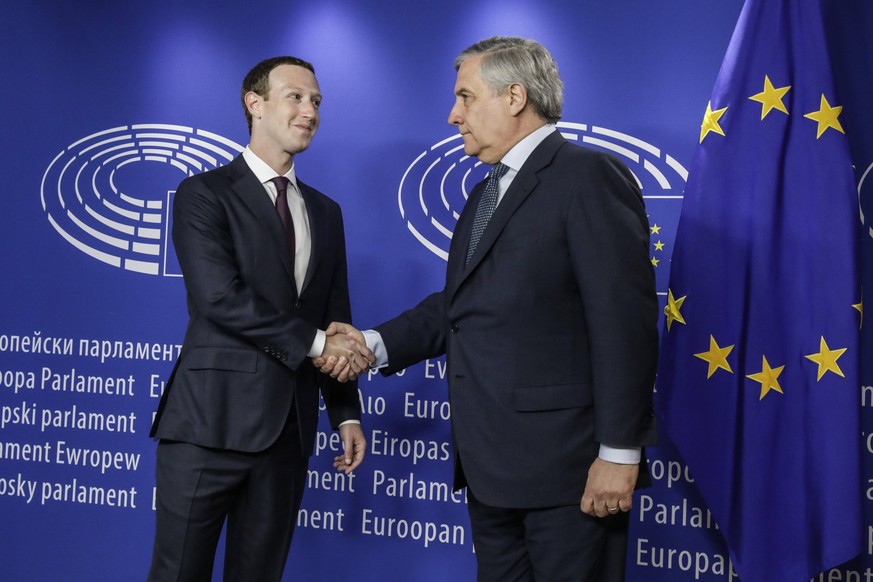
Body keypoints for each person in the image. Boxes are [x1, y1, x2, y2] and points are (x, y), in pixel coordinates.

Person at [318, 37, 658, 581]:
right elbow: (461, 305)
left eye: (465, 97)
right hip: (490, 471)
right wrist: (372, 345)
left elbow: (625, 325)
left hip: (568, 473)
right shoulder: (486, 193)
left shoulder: (588, 177)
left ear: (515, 96)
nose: (453, 116)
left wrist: (619, 454)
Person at [148, 56, 372, 582]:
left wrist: (345, 412)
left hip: (288, 435)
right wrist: (319, 346)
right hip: (208, 427)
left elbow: (335, 318)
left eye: (316, 101)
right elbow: (219, 299)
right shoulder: (204, 194)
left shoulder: (326, 212)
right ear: (255, 104)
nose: (310, 110)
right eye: (295, 97)